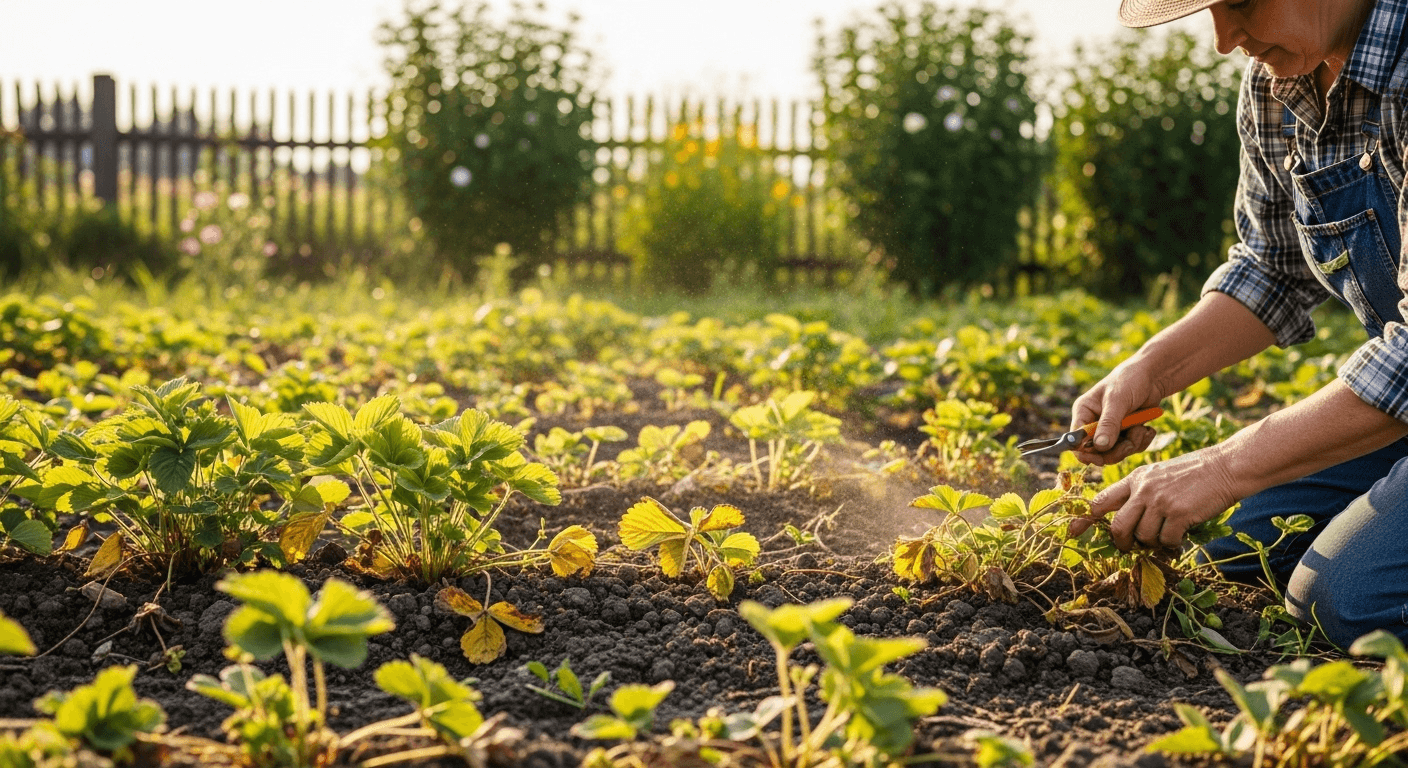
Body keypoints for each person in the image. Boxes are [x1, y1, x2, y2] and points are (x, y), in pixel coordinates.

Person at [1067, 0, 1408, 649]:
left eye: (1243, 2)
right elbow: (1274, 265)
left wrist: (1223, 467)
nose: (1225, 40)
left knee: (1351, 599)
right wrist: (1150, 370)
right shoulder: (1279, 83)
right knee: (1240, 549)